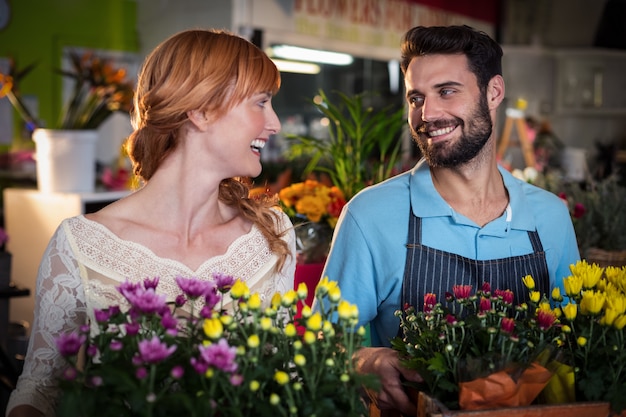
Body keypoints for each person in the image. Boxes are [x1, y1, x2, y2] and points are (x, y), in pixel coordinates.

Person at [6, 29, 296, 417]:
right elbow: (41, 389)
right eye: (261, 103)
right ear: (200, 110)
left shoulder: (272, 234)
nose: (274, 123)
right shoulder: (78, 245)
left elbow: (287, 374)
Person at [320, 25, 580, 416]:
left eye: (446, 91)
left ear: (493, 92)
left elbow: (574, 344)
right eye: (416, 98)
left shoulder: (551, 217)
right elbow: (322, 343)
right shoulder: (369, 215)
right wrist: (360, 360)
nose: (427, 115)